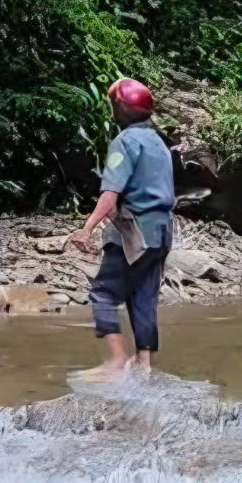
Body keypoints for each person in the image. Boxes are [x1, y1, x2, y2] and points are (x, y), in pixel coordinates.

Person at [64, 78, 175, 380]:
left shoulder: (124, 142)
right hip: (163, 231)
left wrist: (86, 229)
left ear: (121, 108)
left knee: (103, 294)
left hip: (135, 231)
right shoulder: (159, 144)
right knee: (143, 296)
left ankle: (115, 362)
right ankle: (144, 365)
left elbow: (111, 192)